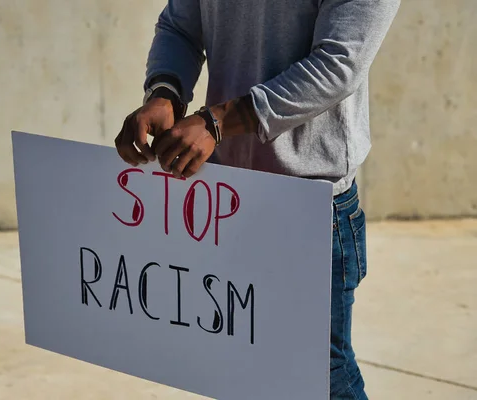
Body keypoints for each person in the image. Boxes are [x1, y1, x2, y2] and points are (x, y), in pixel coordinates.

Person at [115, 0, 400, 398]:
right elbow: (180, 26)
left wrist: (216, 122)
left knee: (319, 375)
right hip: (226, 195)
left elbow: (339, 62)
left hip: (309, 201)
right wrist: (165, 92)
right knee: (242, 365)